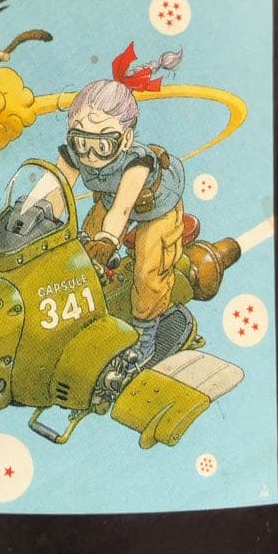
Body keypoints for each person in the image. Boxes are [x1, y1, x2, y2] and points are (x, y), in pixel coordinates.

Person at [56, 43, 185, 364]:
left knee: (148, 270)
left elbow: (122, 210)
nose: (89, 154)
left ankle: (145, 339)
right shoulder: (75, 154)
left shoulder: (137, 162)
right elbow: (56, 190)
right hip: (110, 198)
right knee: (77, 251)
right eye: (80, 141)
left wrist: (106, 241)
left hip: (156, 207)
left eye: (102, 145)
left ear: (125, 139)